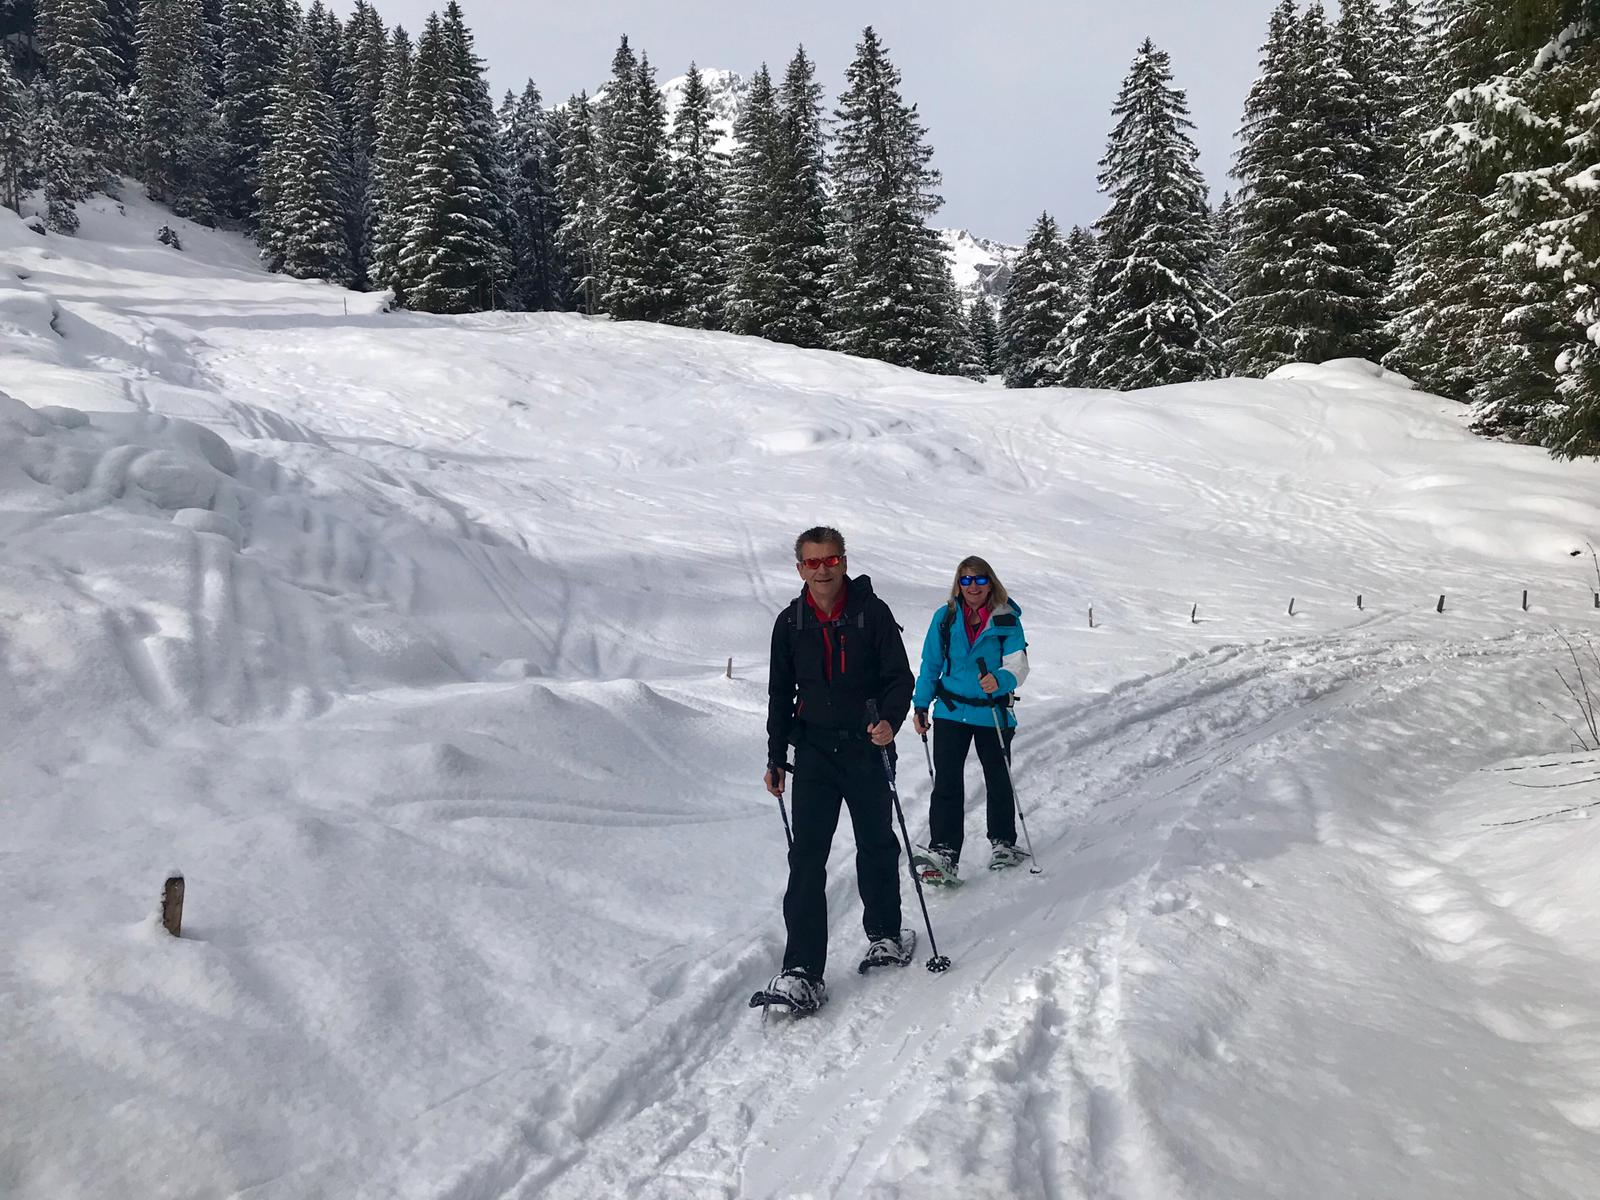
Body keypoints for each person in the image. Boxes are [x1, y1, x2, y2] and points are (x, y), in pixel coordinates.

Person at [762, 526, 915, 1012]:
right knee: (806, 859)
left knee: (875, 843)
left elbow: (899, 677)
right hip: (813, 754)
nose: (822, 570)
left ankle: (885, 934)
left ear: (844, 562)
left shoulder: (872, 613)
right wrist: (775, 755)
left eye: (830, 561)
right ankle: (803, 969)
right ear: (799, 568)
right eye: (812, 562)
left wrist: (890, 721)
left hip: (867, 748)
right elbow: (780, 694)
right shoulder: (789, 623)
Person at [910, 556, 1030, 882]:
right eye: (966, 580)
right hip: (951, 710)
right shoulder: (946, 617)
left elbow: (1018, 664)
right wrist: (921, 705)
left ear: (990, 582)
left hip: (992, 710)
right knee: (947, 783)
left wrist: (1001, 680)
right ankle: (945, 852)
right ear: (958, 584)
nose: (972, 586)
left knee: (998, 777)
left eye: (979, 580)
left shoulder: (1007, 619)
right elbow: (931, 664)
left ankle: (1003, 842)